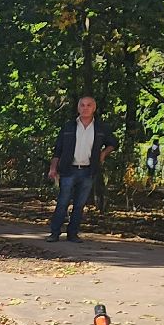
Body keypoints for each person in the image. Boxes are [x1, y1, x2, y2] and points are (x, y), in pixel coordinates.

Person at [47, 94, 116, 242]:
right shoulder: (69, 126)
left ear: (94, 108)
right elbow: (57, 150)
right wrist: (53, 168)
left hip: (88, 171)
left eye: (89, 105)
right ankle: (54, 233)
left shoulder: (100, 128)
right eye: (82, 105)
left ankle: (73, 233)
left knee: (79, 204)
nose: (85, 108)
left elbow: (113, 143)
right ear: (78, 108)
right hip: (68, 170)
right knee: (63, 202)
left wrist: (103, 153)